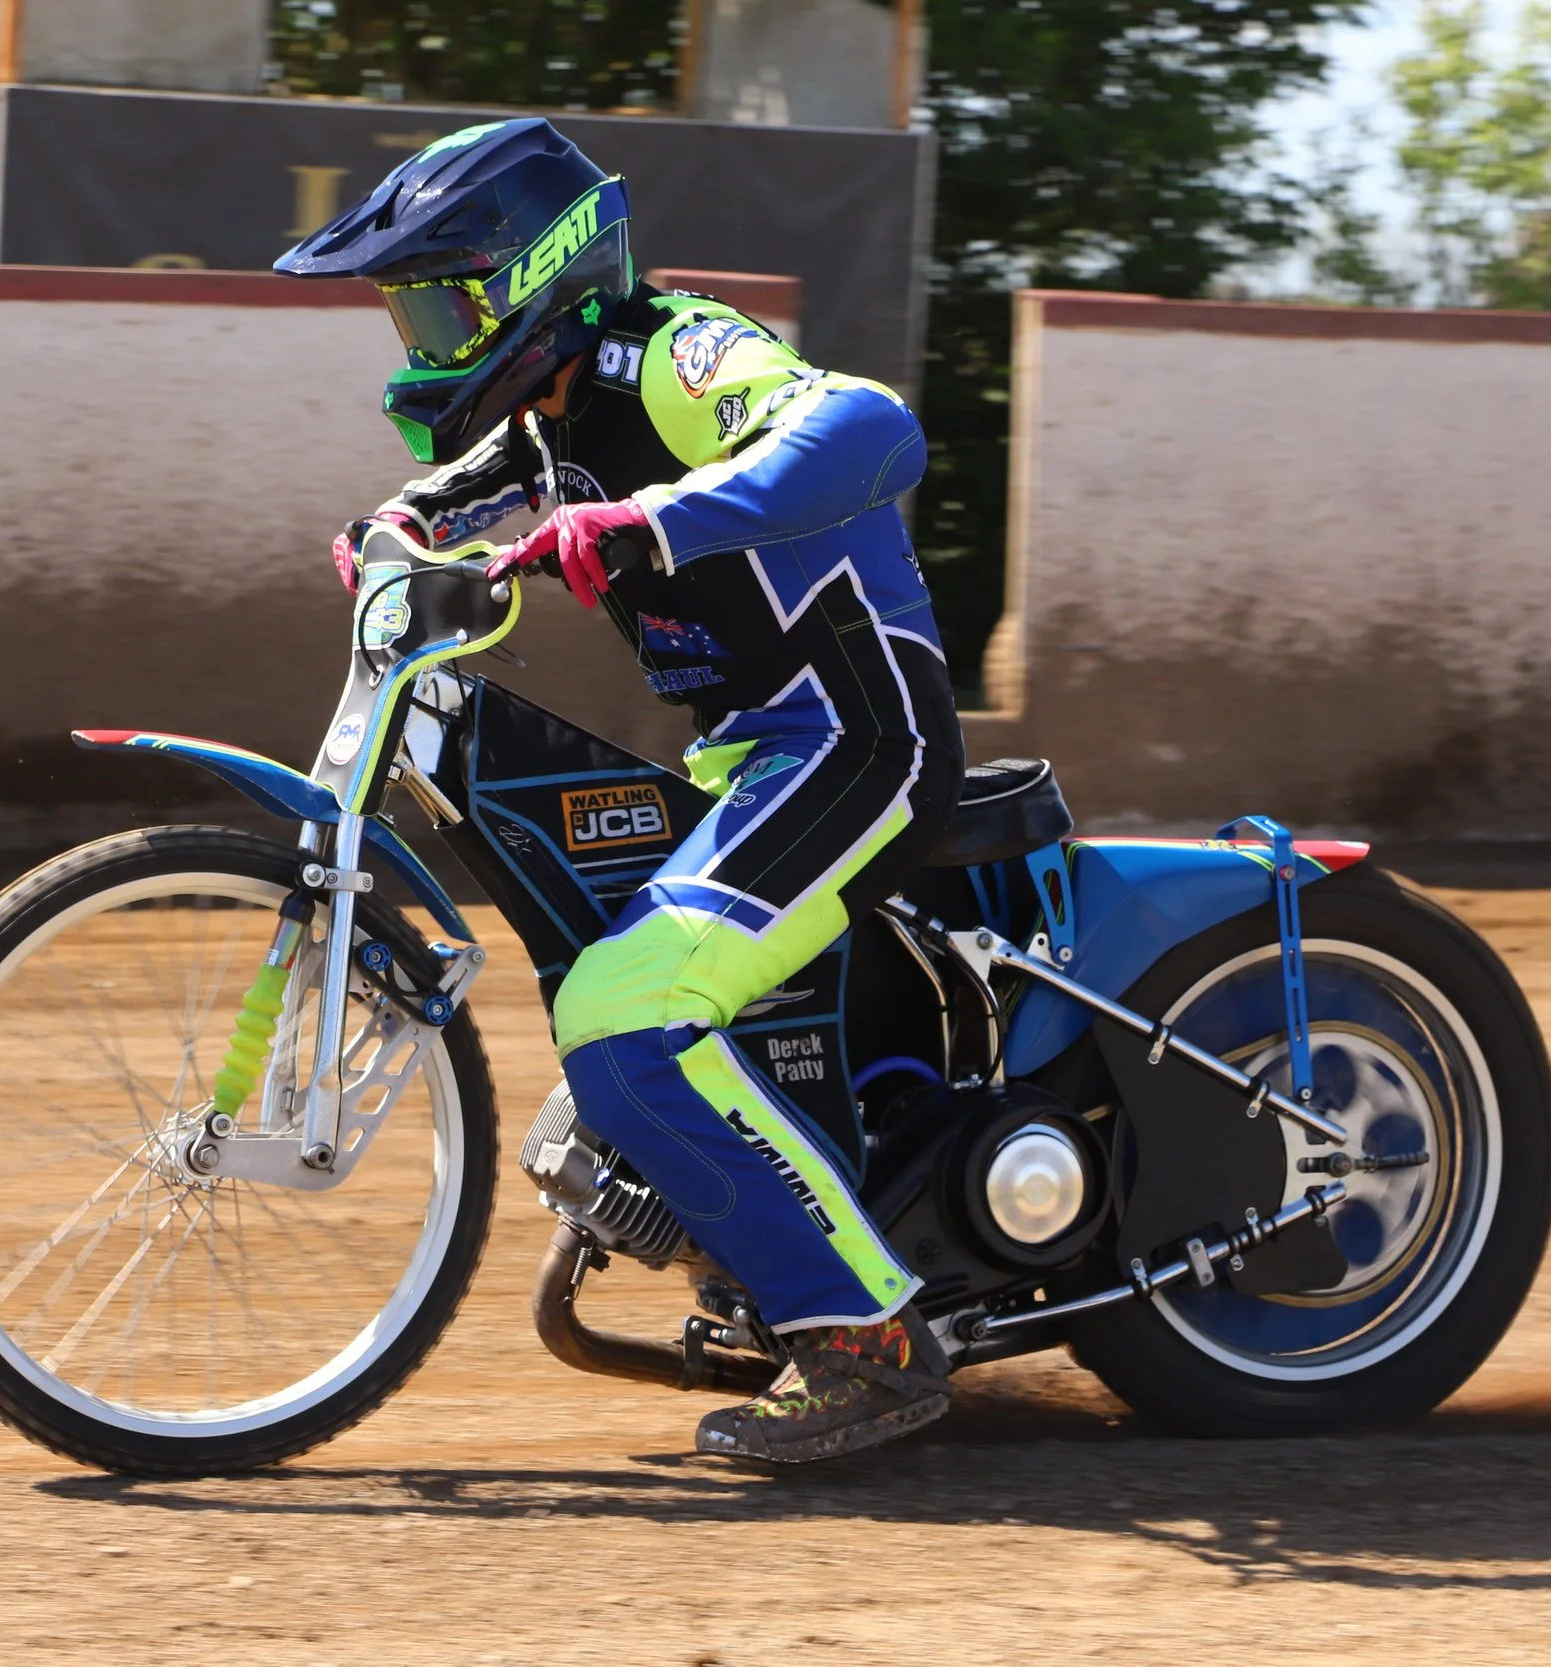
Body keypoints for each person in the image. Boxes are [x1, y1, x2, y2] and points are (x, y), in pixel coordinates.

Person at [278, 119, 965, 1464]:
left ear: (533, 278)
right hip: (751, 761)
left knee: (622, 1005)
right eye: (411, 315)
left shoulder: (672, 353)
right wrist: (392, 533)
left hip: (854, 741)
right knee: (613, 961)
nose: (423, 341)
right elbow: (451, 495)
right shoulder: (548, 418)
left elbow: (869, 426)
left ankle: (865, 1342)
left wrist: (653, 520)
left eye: (442, 308)